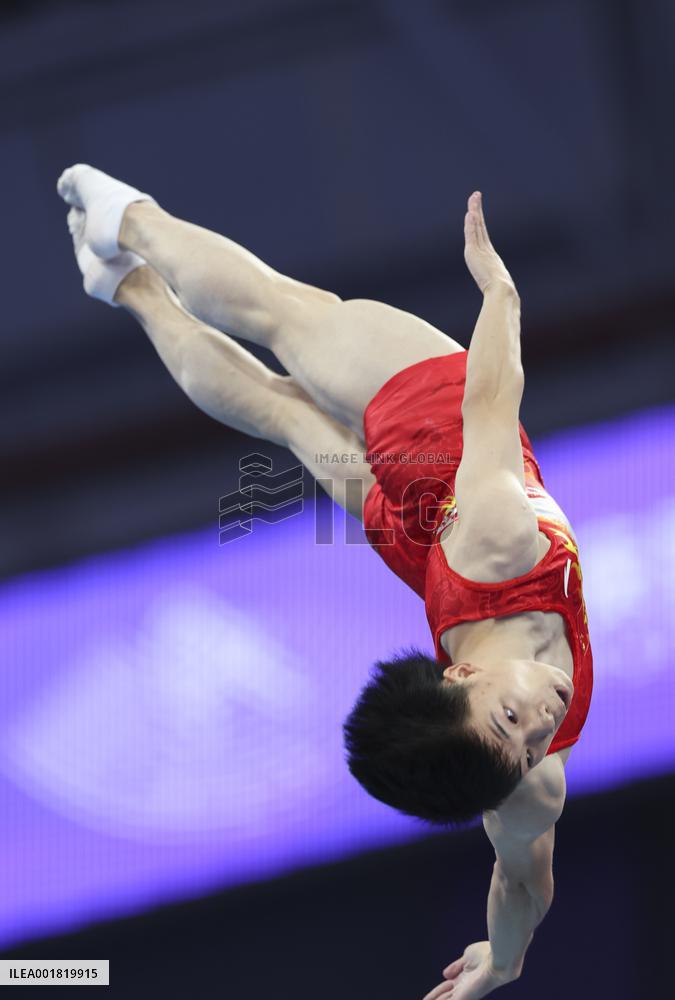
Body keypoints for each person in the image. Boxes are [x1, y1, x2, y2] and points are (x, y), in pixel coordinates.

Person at [57, 167, 593, 1000]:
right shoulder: (524, 784)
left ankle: (133, 225)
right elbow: (521, 888)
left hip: (426, 424)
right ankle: (125, 287)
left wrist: (499, 293)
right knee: (282, 414)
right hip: (423, 555)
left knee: (278, 315)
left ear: (461, 675)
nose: (543, 723)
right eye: (526, 741)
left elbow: (489, 396)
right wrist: (504, 961)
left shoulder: (498, 539)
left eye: (513, 718)